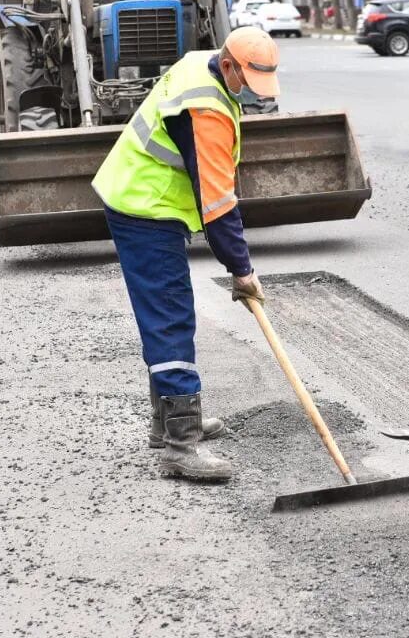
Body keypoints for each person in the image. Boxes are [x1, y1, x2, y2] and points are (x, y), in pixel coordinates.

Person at [92, 28, 280, 483]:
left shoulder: (201, 62)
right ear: (230, 65)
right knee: (171, 316)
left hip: (143, 197)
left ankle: (168, 422)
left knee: (164, 313)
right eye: (248, 84)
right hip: (144, 205)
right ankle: (181, 444)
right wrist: (242, 271)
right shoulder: (206, 108)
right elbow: (218, 204)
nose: (252, 96)